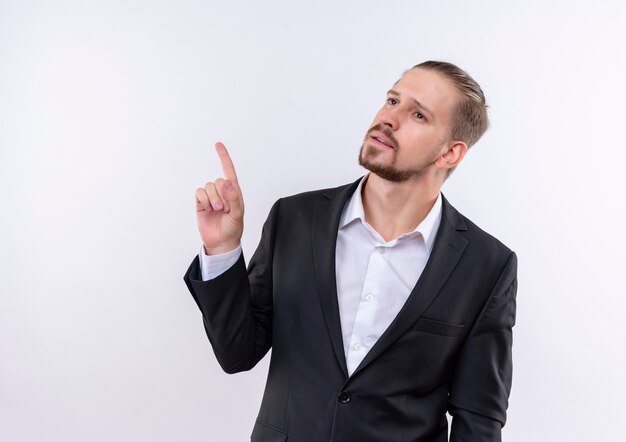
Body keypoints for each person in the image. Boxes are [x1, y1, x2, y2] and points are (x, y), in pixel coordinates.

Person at [184, 60, 517, 442]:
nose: (390, 118)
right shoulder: (295, 219)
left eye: (418, 114)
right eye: (392, 100)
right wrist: (222, 248)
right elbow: (236, 354)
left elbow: (480, 420)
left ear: (450, 153)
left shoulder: (486, 265)